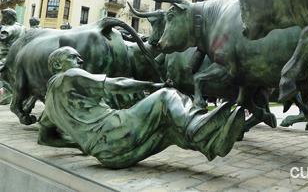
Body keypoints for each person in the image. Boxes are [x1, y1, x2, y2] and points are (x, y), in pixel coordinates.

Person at [38, 46, 245, 168]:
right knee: (166, 97)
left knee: (169, 130)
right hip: (116, 131)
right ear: (58, 65)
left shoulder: (49, 103)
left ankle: (211, 143)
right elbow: (117, 85)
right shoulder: (69, 75)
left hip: (108, 155)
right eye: (74, 57)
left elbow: (45, 137)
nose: (80, 60)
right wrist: (153, 85)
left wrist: (80, 144)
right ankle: (198, 127)